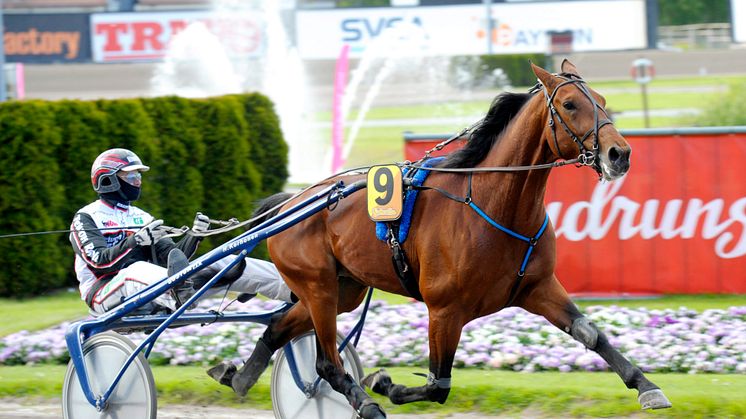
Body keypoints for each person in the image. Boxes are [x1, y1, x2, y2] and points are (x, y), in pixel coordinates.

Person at [70, 148, 294, 315]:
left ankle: (294, 287)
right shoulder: (86, 217)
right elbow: (99, 262)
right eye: (130, 176)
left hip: (158, 289)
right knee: (137, 269)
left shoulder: (141, 217)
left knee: (228, 260)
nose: (137, 181)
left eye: (139, 176)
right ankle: (179, 292)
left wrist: (194, 235)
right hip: (103, 292)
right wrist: (135, 241)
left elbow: (175, 259)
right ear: (108, 180)